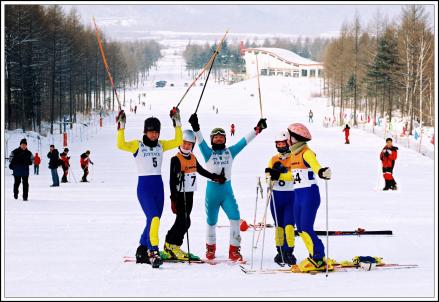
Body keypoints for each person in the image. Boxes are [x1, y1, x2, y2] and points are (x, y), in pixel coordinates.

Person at [188, 113, 267, 261]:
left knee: (235, 217)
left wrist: (257, 129)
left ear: (225, 139)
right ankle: (210, 249)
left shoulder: (230, 151)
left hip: (226, 192)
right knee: (211, 220)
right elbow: (200, 141)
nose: (219, 138)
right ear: (212, 140)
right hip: (212, 192)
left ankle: (234, 250)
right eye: (216, 137)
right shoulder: (208, 153)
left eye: (221, 137)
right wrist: (195, 127)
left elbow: (243, 142)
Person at [116, 107, 182, 268]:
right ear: (145, 132)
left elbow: (178, 141)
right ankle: (153, 251)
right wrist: (121, 126)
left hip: (158, 187)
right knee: (153, 218)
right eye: (150, 132)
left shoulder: (161, 145)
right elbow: (120, 144)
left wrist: (177, 122)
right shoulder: (137, 145)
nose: (154, 134)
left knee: (153, 220)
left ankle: (141, 249)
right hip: (144, 187)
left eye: (156, 132)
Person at [163, 130, 226, 261]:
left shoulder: (192, 157)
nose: (186, 146)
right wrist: (173, 199)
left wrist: (215, 177)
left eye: (189, 144)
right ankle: (171, 244)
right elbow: (171, 181)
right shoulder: (175, 159)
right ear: (180, 143)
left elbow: (201, 170)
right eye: (184, 143)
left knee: (184, 221)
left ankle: (172, 246)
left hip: (189, 194)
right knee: (184, 221)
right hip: (180, 195)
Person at [286, 123, 332, 272]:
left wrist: (321, 172)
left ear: (294, 138)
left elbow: (315, 165)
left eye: (289, 136)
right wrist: (276, 175)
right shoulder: (293, 154)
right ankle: (313, 255)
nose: (287, 139)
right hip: (298, 195)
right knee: (300, 229)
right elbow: (293, 175)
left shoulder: (306, 152)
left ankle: (319, 257)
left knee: (306, 227)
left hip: (309, 195)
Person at [264, 131, 297, 266]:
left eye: (283, 143)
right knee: (279, 227)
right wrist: (270, 177)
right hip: (276, 197)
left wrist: (281, 175)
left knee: (289, 226)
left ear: (288, 144)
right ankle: (280, 252)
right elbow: (268, 176)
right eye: (278, 144)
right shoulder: (273, 159)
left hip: (291, 196)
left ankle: (289, 252)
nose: (281, 146)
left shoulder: (294, 157)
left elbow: (294, 175)